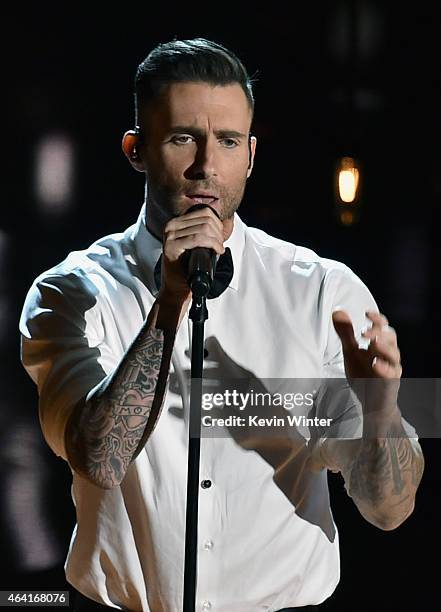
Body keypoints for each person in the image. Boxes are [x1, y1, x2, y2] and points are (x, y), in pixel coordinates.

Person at [19, 38, 424, 612]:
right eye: (183, 138)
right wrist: (170, 303)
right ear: (136, 150)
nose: (207, 165)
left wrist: (380, 407)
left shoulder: (323, 290)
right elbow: (101, 459)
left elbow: (390, 512)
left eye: (228, 142)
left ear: (251, 156)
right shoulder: (70, 290)